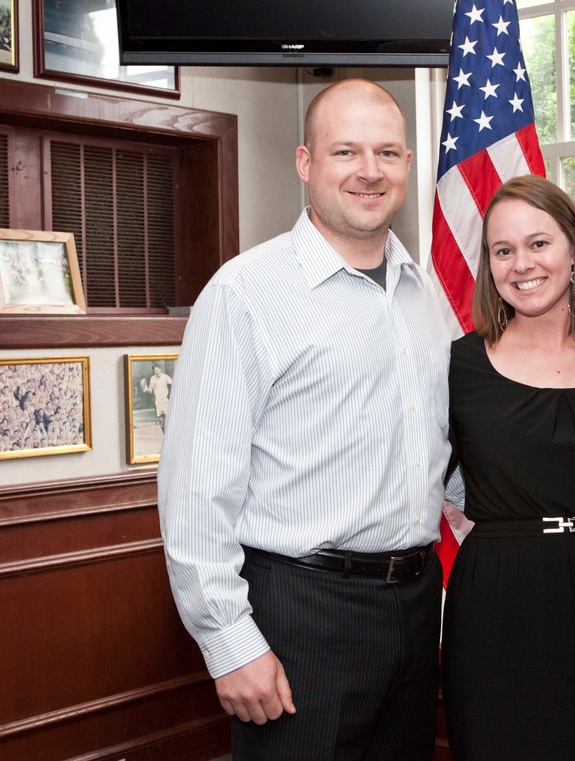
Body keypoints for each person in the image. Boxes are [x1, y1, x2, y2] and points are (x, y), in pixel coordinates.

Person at [158, 79, 459, 761]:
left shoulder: (426, 296)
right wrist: (229, 643)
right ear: (305, 163)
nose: (369, 171)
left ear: (408, 165)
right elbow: (198, 489)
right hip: (300, 612)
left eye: (387, 152)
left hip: (414, 607)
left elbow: (440, 448)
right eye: (345, 151)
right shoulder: (244, 293)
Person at [441, 174, 575, 760]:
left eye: (539, 243)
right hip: (496, 602)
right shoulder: (458, 364)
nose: (521, 264)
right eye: (503, 250)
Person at [143, 364, 172, 430]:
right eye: (154, 371)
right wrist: (148, 390)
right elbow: (150, 388)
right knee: (161, 423)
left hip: (165, 401)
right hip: (158, 403)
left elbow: (173, 382)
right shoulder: (152, 378)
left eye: (156, 370)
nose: (155, 372)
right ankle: (164, 434)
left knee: (167, 420)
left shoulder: (165, 377)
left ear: (159, 369)